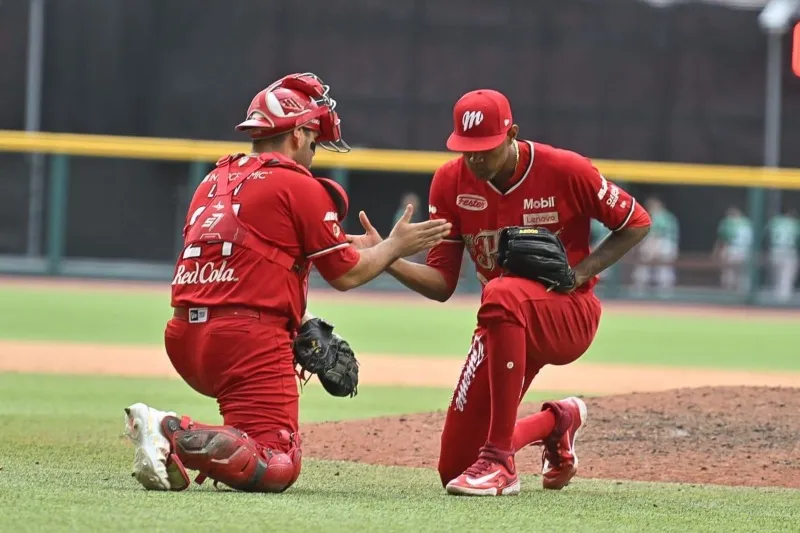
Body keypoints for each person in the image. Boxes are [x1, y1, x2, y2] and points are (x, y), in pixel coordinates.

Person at [122, 72, 451, 493]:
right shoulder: (297, 183)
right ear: (297, 134)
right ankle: (169, 432)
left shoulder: (213, 179)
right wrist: (394, 246)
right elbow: (347, 274)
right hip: (242, 342)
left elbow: (245, 266)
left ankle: (180, 441)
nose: (315, 150)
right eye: (314, 138)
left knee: (245, 440)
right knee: (277, 461)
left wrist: (302, 317)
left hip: (185, 337)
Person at [348, 89, 651, 496]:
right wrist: (388, 255)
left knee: (502, 292)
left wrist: (581, 273)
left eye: (485, 149)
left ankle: (500, 463)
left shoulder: (565, 169)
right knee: (454, 467)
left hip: (566, 312)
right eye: (465, 149)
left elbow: (636, 221)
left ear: (512, 135)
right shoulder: (450, 181)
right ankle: (556, 422)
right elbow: (442, 285)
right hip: (501, 322)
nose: (475, 159)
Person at [631, 197, 679, 296]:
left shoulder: (659, 216)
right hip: (669, 246)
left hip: (663, 244)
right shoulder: (669, 216)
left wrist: (651, 249)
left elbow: (656, 235)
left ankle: (641, 290)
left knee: (649, 262)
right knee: (662, 268)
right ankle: (664, 292)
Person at [713, 206, 753, 294]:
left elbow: (723, 239)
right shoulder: (748, 223)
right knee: (743, 276)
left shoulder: (728, 222)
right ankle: (743, 296)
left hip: (732, 250)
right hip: (746, 251)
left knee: (729, 274)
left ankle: (729, 295)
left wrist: (716, 252)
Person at [765, 207, 800, 303]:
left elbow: (766, 236)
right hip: (789, 251)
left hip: (775, 250)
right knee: (786, 280)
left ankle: (773, 301)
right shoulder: (795, 223)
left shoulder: (774, 222)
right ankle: (783, 305)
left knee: (775, 278)